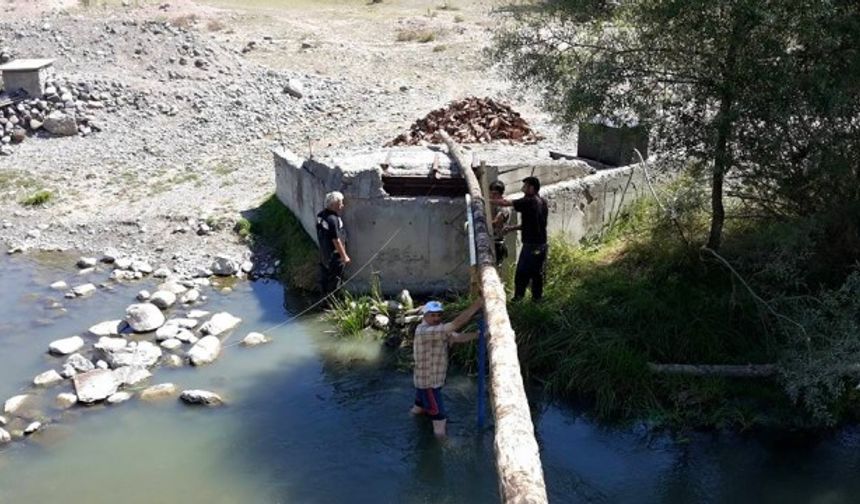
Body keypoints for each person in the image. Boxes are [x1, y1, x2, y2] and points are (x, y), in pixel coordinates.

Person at [411, 297, 483, 437]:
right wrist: (477, 304)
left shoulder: (435, 329)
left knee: (418, 409)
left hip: (422, 380)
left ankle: (412, 423)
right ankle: (441, 445)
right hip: (429, 384)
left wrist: (478, 335)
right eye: (432, 315)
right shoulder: (425, 331)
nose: (437, 318)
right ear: (424, 316)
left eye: (438, 315)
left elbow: (456, 336)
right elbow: (456, 324)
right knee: (440, 419)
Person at [491, 176, 549, 301]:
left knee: (522, 272)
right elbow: (531, 224)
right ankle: (537, 299)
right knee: (536, 272)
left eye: (525, 186)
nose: (522, 189)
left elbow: (505, 203)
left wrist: (484, 199)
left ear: (531, 188)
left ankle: (518, 298)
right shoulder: (542, 202)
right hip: (541, 244)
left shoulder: (529, 201)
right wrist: (512, 228)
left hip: (532, 245)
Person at [316, 191, 351, 298]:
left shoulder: (321, 215)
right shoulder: (332, 220)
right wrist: (344, 256)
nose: (342, 205)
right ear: (333, 205)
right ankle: (331, 304)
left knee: (324, 277)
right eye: (340, 203)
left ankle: (322, 299)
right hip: (334, 256)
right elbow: (336, 240)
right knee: (334, 280)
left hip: (324, 253)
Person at [489, 180, 511, 266]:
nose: (492, 196)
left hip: (497, 244)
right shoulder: (495, 205)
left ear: (500, 194)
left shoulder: (503, 207)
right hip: (492, 241)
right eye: (491, 193)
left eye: (495, 194)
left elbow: (496, 222)